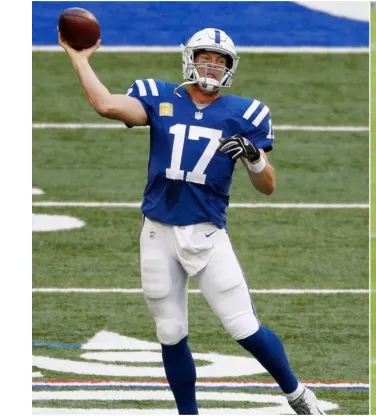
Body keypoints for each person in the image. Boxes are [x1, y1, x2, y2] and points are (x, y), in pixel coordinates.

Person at [59, 27, 324, 415]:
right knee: (170, 332)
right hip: (157, 232)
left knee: (243, 327)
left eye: (220, 61)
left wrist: (254, 158)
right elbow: (106, 105)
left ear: (231, 68)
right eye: (206, 57)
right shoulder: (159, 96)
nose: (212, 66)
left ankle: (297, 394)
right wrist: (79, 58)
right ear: (190, 58)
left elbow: (267, 185)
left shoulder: (245, 113)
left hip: (206, 234)